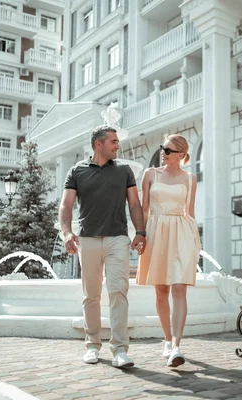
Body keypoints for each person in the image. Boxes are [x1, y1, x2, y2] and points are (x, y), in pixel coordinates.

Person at [59, 125, 146, 368]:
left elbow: (135, 204)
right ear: (99, 144)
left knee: (118, 291)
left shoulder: (124, 170)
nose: (118, 145)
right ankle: (92, 344)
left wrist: (140, 232)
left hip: (118, 238)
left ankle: (120, 349)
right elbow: (66, 206)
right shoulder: (77, 171)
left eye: (118, 141)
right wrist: (67, 233)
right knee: (91, 295)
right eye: (113, 142)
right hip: (87, 239)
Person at [136, 134, 200, 367]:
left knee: (180, 289)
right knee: (161, 291)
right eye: (163, 148)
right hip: (156, 232)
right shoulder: (150, 174)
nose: (164, 152)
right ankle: (166, 339)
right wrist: (140, 234)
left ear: (182, 155)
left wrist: (195, 244)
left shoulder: (190, 179)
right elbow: (144, 210)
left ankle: (177, 346)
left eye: (169, 150)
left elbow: (190, 213)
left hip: (181, 232)